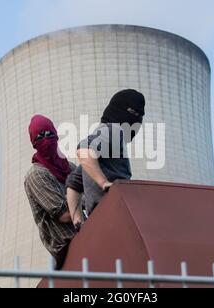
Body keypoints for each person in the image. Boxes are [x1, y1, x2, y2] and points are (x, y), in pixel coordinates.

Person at [66, 89, 146, 228]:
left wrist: (78, 221)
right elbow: (83, 151)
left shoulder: (97, 159)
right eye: (134, 113)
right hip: (115, 214)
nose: (137, 120)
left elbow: (73, 183)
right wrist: (104, 183)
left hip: (100, 221)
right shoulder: (113, 130)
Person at [24, 115, 78, 270]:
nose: (46, 140)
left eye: (49, 134)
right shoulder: (37, 175)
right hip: (65, 246)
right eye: (40, 136)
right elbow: (65, 215)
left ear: (56, 135)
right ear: (34, 143)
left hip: (84, 233)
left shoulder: (70, 168)